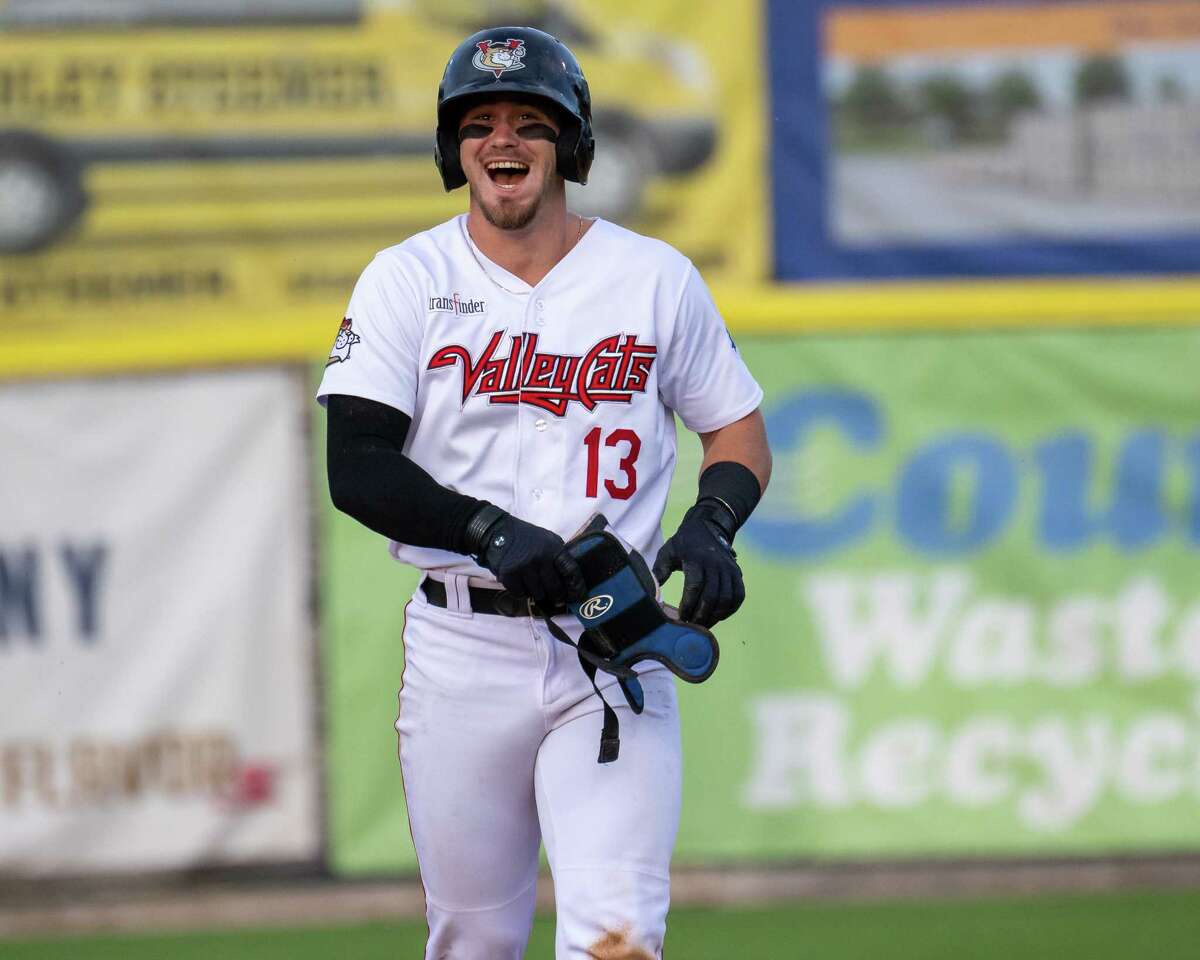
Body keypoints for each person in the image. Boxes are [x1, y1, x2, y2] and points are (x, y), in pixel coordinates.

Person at [318, 25, 771, 960]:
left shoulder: (651, 277)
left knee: (617, 932)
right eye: (478, 122)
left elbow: (738, 432)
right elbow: (355, 463)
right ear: (455, 150)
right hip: (462, 645)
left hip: (614, 646)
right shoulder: (408, 278)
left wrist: (714, 523)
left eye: (531, 120)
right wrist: (482, 530)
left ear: (572, 144)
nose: (503, 140)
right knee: (474, 942)